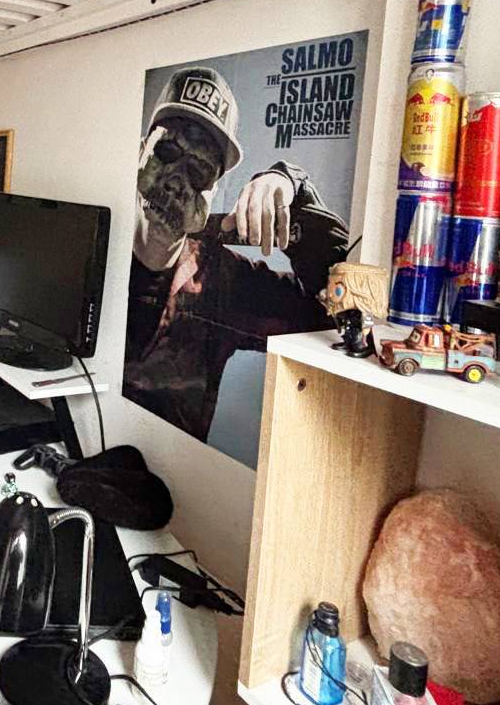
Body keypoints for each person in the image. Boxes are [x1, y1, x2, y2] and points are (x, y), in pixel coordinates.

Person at [124, 67, 350, 444]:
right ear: (140, 152)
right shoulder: (93, 241)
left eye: (199, 172)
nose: (176, 182)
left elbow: (335, 314)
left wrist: (291, 184)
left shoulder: (225, 283)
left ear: (213, 191)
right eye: (167, 152)